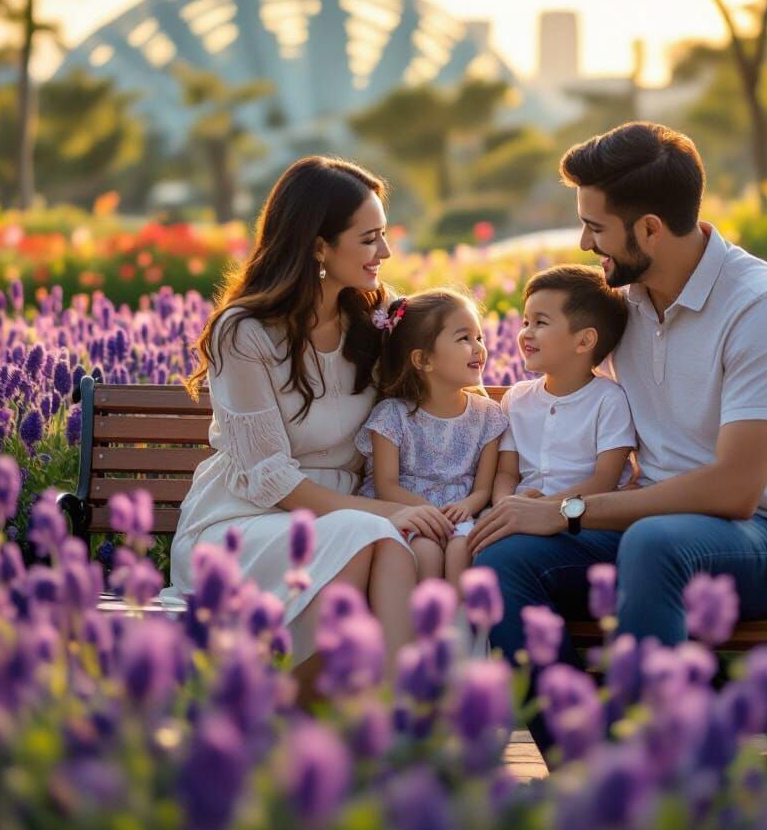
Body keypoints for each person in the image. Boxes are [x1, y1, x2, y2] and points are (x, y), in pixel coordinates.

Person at [469, 122, 767, 705]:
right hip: (653, 532)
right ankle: (579, 756)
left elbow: (735, 491)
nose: (586, 244)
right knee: (502, 559)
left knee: (654, 544)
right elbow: (564, 392)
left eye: (596, 228)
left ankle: (653, 764)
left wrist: (569, 510)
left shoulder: (761, 307)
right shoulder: (624, 307)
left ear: (649, 229)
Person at [160, 156, 453, 693]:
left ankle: (389, 713)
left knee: (389, 541)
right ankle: (283, 710)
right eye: (369, 239)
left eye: (384, 236)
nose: (385, 253)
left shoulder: (375, 318)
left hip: (355, 520)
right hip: (246, 521)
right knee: (375, 534)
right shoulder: (244, 332)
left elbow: (427, 406)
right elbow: (269, 479)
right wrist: (390, 510)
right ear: (319, 246)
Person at [356, 289, 508, 588]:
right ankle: (427, 625)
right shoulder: (392, 416)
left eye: (479, 337)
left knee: (461, 550)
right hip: (409, 511)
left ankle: (462, 629)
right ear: (423, 359)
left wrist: (467, 506)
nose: (478, 348)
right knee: (425, 551)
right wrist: (426, 513)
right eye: (464, 338)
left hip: (462, 514)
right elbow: (386, 485)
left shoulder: (488, 416)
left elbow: (484, 488)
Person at [493, 265, 635, 510]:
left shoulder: (608, 401)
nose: (526, 332)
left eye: (540, 322)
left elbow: (604, 481)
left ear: (584, 341)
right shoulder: (516, 399)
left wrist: (542, 508)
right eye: (526, 321)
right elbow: (507, 472)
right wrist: (505, 504)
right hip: (516, 512)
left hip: (580, 520)